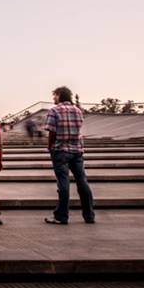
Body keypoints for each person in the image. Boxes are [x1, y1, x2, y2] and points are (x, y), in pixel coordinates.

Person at [43, 86, 95, 225]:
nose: (53, 98)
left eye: (54, 95)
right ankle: (89, 215)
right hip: (77, 150)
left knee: (63, 183)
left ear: (60, 95)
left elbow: (52, 131)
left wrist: (50, 146)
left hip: (60, 150)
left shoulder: (54, 110)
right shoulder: (78, 110)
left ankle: (61, 216)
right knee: (82, 181)